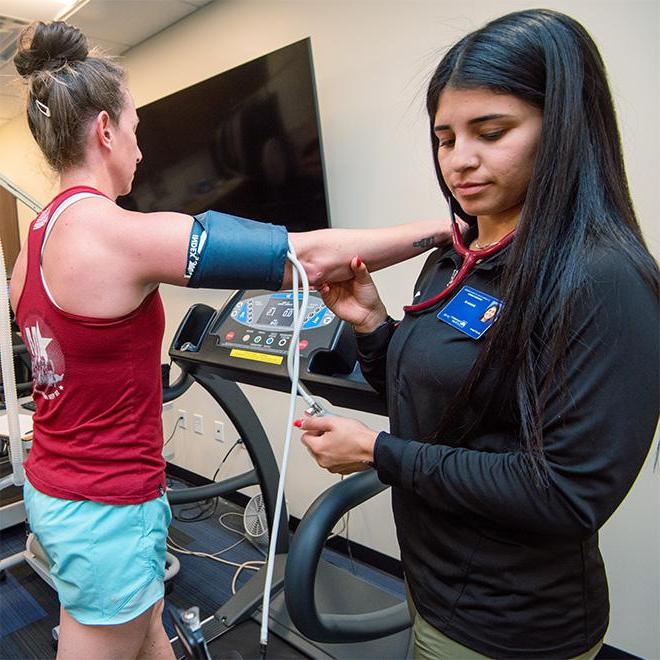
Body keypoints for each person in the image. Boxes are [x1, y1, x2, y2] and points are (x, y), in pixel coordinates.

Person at [8, 21, 453, 660]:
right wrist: (443, 228)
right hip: (105, 502)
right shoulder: (112, 232)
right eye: (135, 127)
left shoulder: (38, 237)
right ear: (105, 129)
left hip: (60, 483)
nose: (140, 146)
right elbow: (312, 256)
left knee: (148, 630)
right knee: (107, 639)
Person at [297, 9, 659, 659]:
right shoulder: (460, 254)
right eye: (444, 137)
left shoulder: (601, 278)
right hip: (432, 582)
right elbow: (443, 405)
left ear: (565, 128)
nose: (460, 161)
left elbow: (565, 494)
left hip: (508, 624)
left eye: (491, 133)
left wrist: (378, 454)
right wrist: (374, 328)